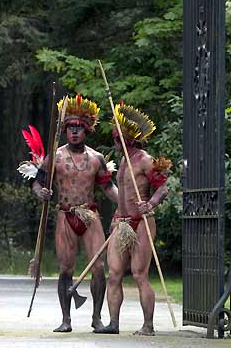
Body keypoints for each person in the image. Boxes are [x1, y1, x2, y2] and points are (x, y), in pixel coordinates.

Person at [22, 94, 118, 332]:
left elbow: (108, 188)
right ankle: (66, 319)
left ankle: (96, 318)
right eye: (70, 128)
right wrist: (40, 193)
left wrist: (126, 204)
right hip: (66, 215)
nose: (74, 132)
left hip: (89, 215)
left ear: (86, 131)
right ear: (65, 130)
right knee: (66, 268)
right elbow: (36, 182)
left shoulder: (97, 158)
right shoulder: (55, 156)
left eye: (79, 128)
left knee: (98, 267)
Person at [94, 103, 171, 336]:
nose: (115, 144)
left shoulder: (145, 160)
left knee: (139, 273)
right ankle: (113, 323)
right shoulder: (125, 161)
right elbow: (121, 193)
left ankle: (148, 325)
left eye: (117, 140)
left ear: (126, 140)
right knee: (115, 273)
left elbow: (163, 188)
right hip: (122, 222)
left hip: (142, 222)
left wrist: (150, 203)